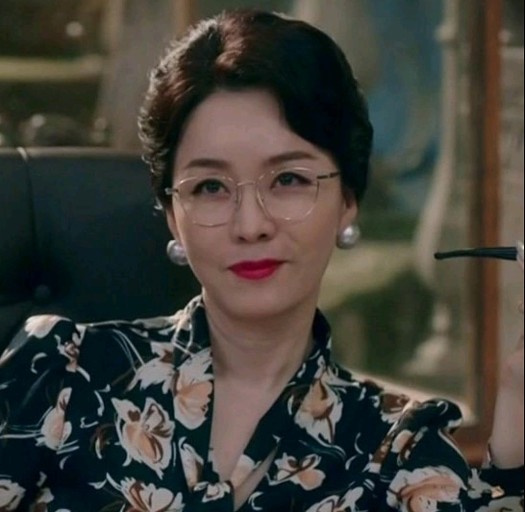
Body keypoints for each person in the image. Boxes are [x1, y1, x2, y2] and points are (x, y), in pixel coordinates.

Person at [0, 9, 523, 511]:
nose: (251, 225)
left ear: (347, 200)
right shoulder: (62, 376)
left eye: (289, 179)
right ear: (172, 214)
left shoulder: (401, 448)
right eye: (210, 187)